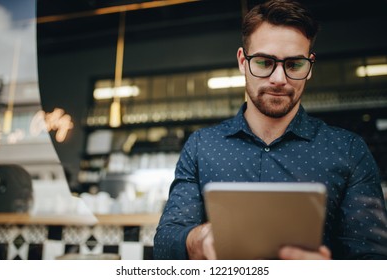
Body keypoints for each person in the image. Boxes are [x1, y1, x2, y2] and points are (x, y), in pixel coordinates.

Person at [153, 0, 387, 260]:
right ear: (243, 62)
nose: (279, 79)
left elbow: (374, 261)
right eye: (265, 62)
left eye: (294, 64)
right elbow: (165, 245)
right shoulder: (201, 146)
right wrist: (201, 239)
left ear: (309, 67)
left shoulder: (349, 151)